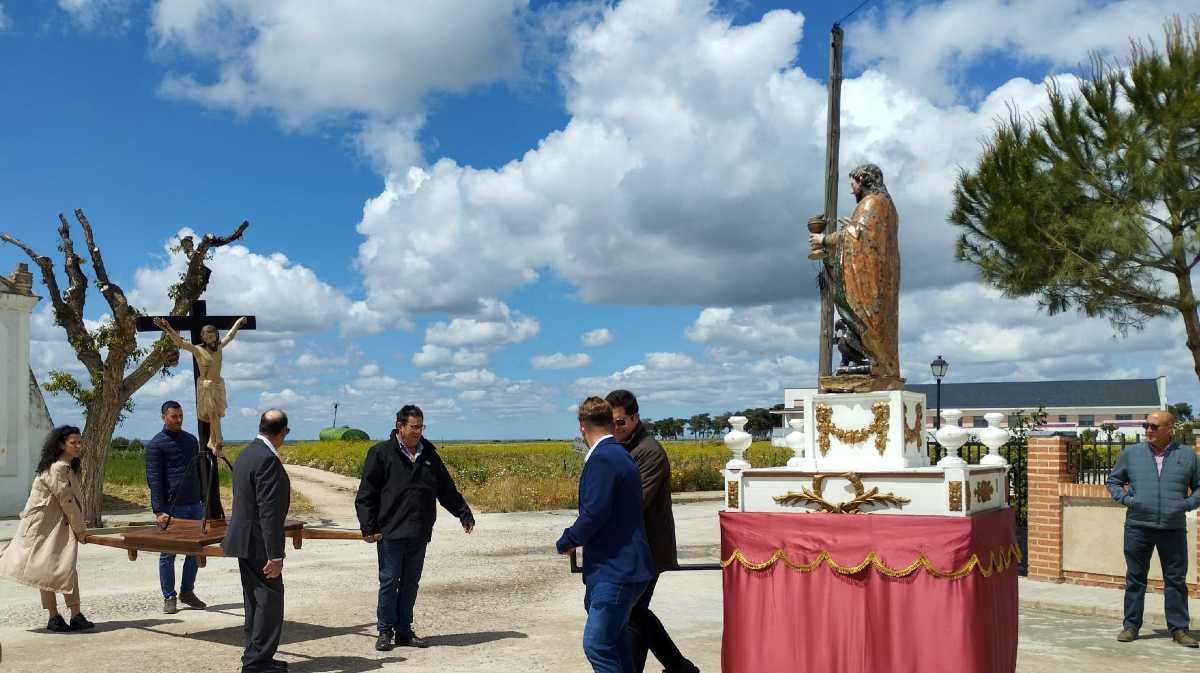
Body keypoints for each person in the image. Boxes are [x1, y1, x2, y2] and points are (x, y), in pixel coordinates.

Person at [355, 405, 475, 652]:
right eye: (414, 427)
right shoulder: (381, 453)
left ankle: (404, 631)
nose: (418, 432)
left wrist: (463, 513)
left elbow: (446, 489)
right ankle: (385, 631)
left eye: (421, 427)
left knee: (410, 583)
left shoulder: (429, 455)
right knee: (389, 581)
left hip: (419, 532)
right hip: (390, 531)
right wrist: (368, 527)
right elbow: (366, 494)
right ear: (400, 426)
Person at [557, 397, 655, 673]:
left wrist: (567, 540)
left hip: (616, 569)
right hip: (628, 567)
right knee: (616, 642)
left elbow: (594, 514)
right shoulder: (619, 453)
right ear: (611, 423)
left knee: (598, 645)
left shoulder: (602, 458)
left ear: (581, 427)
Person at [606, 390, 699, 673]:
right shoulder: (621, 449)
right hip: (632, 550)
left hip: (647, 549)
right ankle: (680, 668)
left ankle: (679, 668)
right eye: (610, 423)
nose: (615, 428)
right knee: (634, 614)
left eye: (621, 422)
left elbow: (635, 503)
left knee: (633, 613)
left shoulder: (649, 451)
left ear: (635, 418)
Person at [1106, 409, 1200, 647]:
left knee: (1176, 580)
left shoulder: (1187, 456)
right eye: (1146, 425)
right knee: (1135, 578)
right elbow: (1114, 481)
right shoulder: (1132, 453)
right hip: (1138, 526)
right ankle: (1131, 625)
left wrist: (1186, 504)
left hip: (1173, 527)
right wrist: (1128, 500)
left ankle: (1179, 629)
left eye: (1154, 427)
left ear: (1170, 429)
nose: (1148, 430)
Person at [808, 163, 901, 385]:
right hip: (880, 273)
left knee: (861, 313)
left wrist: (824, 240)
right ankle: (872, 360)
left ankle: (875, 361)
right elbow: (861, 235)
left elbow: (858, 239)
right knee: (862, 317)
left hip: (868, 278)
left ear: (864, 181)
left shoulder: (872, 203)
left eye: (854, 184)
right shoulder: (886, 205)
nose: (852, 190)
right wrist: (849, 230)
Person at [0, 425, 95, 632]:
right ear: (62, 444)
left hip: (52, 525)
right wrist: (81, 530)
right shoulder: (58, 467)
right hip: (44, 527)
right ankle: (62, 615)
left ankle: (69, 615)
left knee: (57, 568)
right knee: (53, 568)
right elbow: (66, 500)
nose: (78, 446)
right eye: (73, 443)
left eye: (80, 442)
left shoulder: (64, 466)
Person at [222, 409, 292, 673]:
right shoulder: (267, 459)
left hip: (245, 539)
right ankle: (257, 662)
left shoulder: (248, 453)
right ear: (283, 431)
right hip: (260, 542)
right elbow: (269, 511)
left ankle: (256, 654)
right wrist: (276, 554)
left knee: (254, 600)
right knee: (269, 602)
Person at [145, 400, 209, 614]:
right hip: (171, 508)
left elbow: (202, 472)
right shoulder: (156, 445)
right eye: (174, 416)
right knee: (168, 553)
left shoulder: (191, 441)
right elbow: (154, 479)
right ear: (163, 417)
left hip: (194, 506)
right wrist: (158, 510)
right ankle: (169, 597)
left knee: (194, 550)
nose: (179, 420)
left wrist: (205, 500)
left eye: (181, 416)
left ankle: (187, 592)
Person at [154, 315, 248, 452]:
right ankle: (219, 439)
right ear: (203, 338)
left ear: (216, 335)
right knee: (212, 411)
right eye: (207, 338)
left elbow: (230, 335)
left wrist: (238, 324)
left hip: (218, 385)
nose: (210, 340)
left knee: (215, 415)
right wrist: (167, 327)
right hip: (205, 386)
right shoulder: (199, 350)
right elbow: (180, 342)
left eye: (212, 337)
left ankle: (212, 442)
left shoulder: (220, 347)